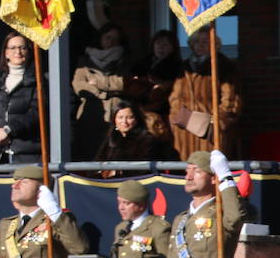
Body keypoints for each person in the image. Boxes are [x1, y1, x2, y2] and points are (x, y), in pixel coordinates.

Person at [168, 29, 241, 160]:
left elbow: (230, 99)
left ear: (214, 44)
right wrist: (180, 116)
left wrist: (215, 123)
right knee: (188, 170)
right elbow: (175, 97)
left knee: (209, 168)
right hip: (186, 130)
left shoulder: (224, 66)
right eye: (197, 41)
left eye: (205, 41)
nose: (200, 45)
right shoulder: (184, 68)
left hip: (210, 132)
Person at [72, 23, 131, 160]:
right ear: (100, 38)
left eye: (116, 39)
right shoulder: (84, 60)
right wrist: (104, 93)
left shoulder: (125, 60)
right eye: (108, 37)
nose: (111, 42)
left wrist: (98, 83)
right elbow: (79, 85)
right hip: (91, 116)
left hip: (116, 115)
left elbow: (123, 83)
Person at [0, 33, 40, 165]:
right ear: (6, 53)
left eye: (22, 48)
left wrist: (9, 130)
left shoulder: (39, 79)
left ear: (29, 52)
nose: (17, 52)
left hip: (26, 154)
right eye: (12, 48)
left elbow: (37, 113)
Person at [94, 100, 174, 176]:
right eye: (120, 117)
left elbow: (144, 168)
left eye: (129, 117)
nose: (124, 122)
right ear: (114, 119)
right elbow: (98, 162)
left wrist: (120, 172)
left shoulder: (147, 140)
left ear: (136, 119)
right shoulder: (111, 138)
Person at [128, 29, 182, 130]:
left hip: (162, 112)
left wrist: (162, 85)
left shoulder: (176, 67)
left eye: (165, 45)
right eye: (158, 43)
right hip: (139, 110)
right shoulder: (142, 64)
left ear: (173, 47)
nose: (160, 48)